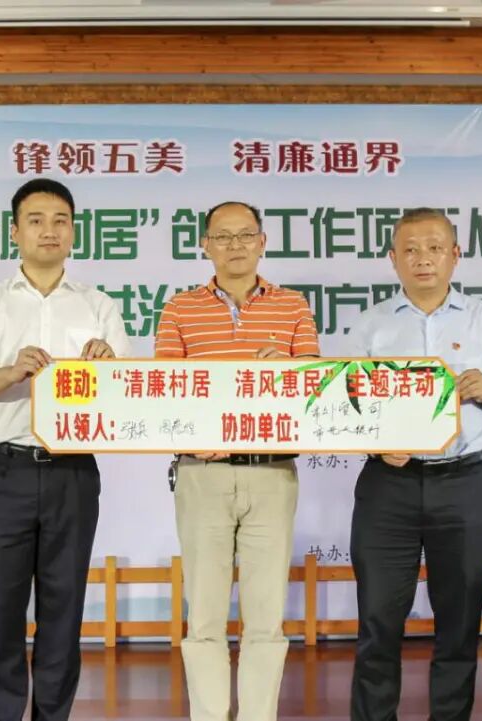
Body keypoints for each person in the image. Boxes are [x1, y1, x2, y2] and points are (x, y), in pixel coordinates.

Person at [0, 178, 130, 721]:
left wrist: (107, 368)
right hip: (5, 472)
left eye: (60, 221)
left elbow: (124, 395)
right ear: (14, 231)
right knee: (1, 613)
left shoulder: (99, 306)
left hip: (74, 473)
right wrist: (12, 370)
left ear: (74, 231)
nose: (49, 230)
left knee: (63, 611)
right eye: (36, 220)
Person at [346, 207, 482, 721]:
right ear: (393, 259)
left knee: (460, 620)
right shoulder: (371, 325)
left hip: (464, 482)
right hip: (389, 486)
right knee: (378, 620)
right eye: (410, 249)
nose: (422, 259)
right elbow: (346, 411)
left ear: (455, 255)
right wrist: (377, 444)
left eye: (433, 248)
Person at [154, 200, 320, 721]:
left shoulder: (293, 306)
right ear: (205, 245)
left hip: (272, 472)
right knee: (204, 618)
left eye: (245, 234)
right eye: (222, 236)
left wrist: (288, 369)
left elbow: (313, 389)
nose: (234, 245)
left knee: (266, 619)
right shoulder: (180, 308)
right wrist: (193, 436)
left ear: (262, 242)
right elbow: (163, 391)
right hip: (202, 472)